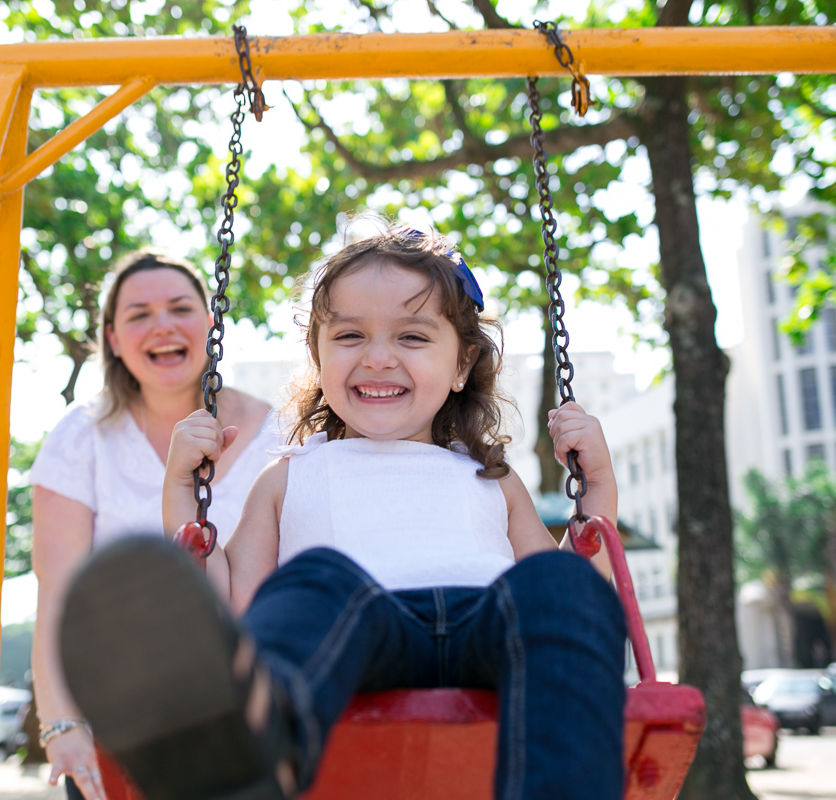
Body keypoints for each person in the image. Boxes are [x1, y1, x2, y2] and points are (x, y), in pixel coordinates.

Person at [58, 226, 627, 800]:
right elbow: (232, 600)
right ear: (318, 354)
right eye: (350, 335)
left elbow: (566, 587)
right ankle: (251, 751)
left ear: (462, 363)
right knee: (316, 580)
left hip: (487, 629)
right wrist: (182, 488)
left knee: (560, 584)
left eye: (412, 336)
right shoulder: (288, 475)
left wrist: (596, 485)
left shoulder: (492, 480)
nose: (378, 358)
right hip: (358, 634)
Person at [29, 249, 281, 800]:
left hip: (247, 709)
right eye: (139, 314)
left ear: (211, 323)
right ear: (114, 338)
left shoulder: (279, 433)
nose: (162, 325)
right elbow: (58, 593)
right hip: (127, 717)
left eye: (179, 308)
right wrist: (62, 725)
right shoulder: (82, 436)